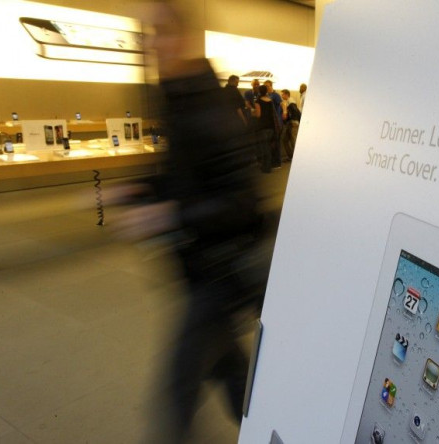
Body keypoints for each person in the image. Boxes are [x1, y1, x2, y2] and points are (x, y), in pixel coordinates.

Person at [108, 3, 272, 442]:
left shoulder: (209, 108)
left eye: (157, 32)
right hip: (198, 266)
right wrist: (140, 190)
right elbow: (181, 177)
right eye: (144, 34)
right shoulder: (177, 100)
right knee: (229, 370)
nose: (148, 45)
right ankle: (275, 422)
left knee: (177, 387)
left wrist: (169, 213)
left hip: (220, 272)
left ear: (179, 38)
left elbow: (244, 202)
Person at [252, 84, 282, 171]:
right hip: (271, 127)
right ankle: (270, 165)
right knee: (269, 146)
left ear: (259, 91)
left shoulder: (258, 101)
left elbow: (258, 115)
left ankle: (266, 167)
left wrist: (252, 112)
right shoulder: (270, 100)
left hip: (263, 127)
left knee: (264, 148)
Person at [280, 89, 301, 161]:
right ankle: (291, 156)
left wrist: (293, 120)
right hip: (291, 123)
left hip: (293, 123)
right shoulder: (289, 102)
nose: (281, 96)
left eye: (282, 94)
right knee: (285, 140)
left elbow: (294, 112)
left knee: (293, 140)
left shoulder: (290, 102)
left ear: (286, 94)